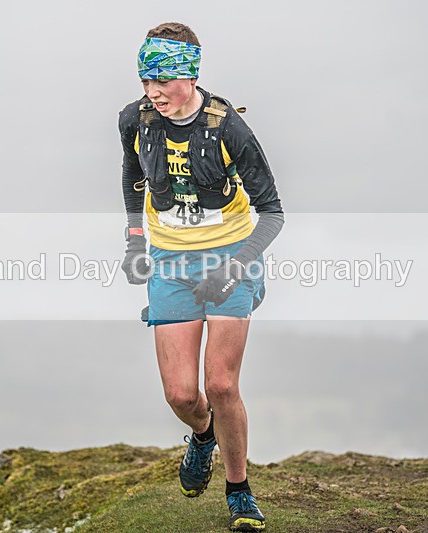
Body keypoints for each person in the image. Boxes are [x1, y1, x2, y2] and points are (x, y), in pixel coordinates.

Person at [118, 22, 284, 532]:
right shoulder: (135, 119)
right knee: (182, 396)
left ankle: (239, 493)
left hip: (231, 257)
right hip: (170, 261)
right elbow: (132, 175)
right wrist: (135, 242)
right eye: (146, 81)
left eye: (162, 81)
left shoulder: (229, 128)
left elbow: (273, 212)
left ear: (188, 76)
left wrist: (235, 269)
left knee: (221, 383)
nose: (153, 92)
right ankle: (203, 436)